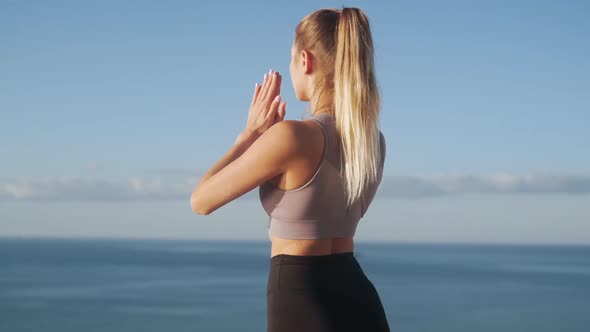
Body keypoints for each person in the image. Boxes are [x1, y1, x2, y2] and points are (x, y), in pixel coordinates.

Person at [190, 6, 389, 332]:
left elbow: (201, 201)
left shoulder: (292, 137)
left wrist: (249, 136)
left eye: (291, 58)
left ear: (305, 61)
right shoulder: (373, 143)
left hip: (302, 298)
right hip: (358, 296)